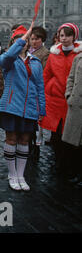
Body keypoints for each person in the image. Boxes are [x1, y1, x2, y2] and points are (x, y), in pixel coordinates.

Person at [0, 24, 46, 192]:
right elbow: (6, 58)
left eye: (25, 40)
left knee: (24, 141)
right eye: (19, 40)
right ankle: (12, 174)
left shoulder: (36, 62)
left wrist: (41, 110)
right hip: (12, 106)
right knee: (11, 139)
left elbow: (40, 87)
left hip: (30, 107)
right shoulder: (8, 60)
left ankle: (20, 175)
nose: (23, 43)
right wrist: (22, 39)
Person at [40, 23, 81, 180]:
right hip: (56, 100)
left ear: (74, 37)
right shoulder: (54, 54)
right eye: (62, 35)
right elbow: (47, 75)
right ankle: (59, 165)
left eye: (68, 35)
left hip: (73, 102)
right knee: (56, 136)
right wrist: (46, 90)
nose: (64, 39)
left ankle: (73, 167)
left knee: (73, 136)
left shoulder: (79, 55)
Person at [28, 26, 50, 158]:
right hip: (28, 90)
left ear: (42, 40)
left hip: (36, 89)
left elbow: (44, 72)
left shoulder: (45, 53)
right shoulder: (28, 51)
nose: (34, 41)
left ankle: (36, 147)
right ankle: (29, 144)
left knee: (37, 122)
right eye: (32, 39)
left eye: (36, 39)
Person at [62, 52, 82, 186]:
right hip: (76, 104)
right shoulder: (79, 57)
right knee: (75, 142)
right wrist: (69, 94)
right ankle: (75, 172)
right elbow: (71, 77)